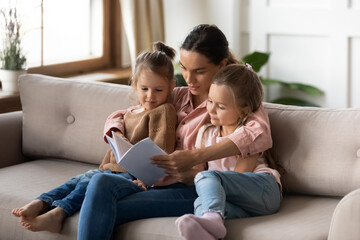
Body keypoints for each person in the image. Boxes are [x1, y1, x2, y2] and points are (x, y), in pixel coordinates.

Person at [77, 24, 274, 240]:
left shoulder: (237, 101)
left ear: (221, 65)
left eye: (199, 71)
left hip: (192, 184)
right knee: (97, 180)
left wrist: (194, 157)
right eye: (184, 68)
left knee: (108, 204)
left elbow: (258, 135)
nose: (189, 79)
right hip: (160, 179)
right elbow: (128, 111)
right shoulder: (178, 95)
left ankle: (62, 208)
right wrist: (117, 132)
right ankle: (57, 207)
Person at [11, 41, 178, 233]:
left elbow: (162, 149)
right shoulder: (131, 111)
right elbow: (115, 122)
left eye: (158, 90)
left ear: (171, 87)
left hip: (131, 176)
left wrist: (147, 178)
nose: (150, 96)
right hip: (112, 170)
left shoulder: (164, 110)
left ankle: (58, 213)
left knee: (88, 184)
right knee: (78, 180)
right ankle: (41, 202)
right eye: (144, 89)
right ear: (134, 84)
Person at [176, 64, 283, 240]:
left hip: (263, 191)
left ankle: (212, 218)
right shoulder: (205, 133)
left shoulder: (247, 134)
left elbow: (241, 175)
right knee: (200, 201)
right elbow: (198, 174)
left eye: (221, 106)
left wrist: (205, 180)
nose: (210, 109)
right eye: (210, 101)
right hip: (242, 203)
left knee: (206, 178)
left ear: (244, 110)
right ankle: (209, 230)